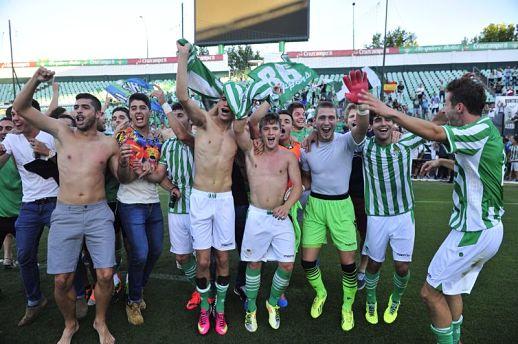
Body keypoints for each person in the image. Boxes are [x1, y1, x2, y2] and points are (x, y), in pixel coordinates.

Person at [360, 75, 505, 344]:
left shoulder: (476, 132)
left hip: (475, 230)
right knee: (451, 288)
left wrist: (388, 110)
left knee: (429, 292)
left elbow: (436, 131)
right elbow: (479, 171)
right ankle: (457, 339)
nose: (443, 109)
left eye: (447, 103)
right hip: (482, 229)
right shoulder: (486, 130)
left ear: (459, 107)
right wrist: (444, 162)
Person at [12, 67, 119, 344]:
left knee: (106, 275)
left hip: (98, 212)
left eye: (85, 107)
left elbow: (123, 177)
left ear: (97, 113)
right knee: (62, 280)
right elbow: (20, 106)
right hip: (65, 212)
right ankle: (70, 324)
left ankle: (100, 321)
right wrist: (36, 79)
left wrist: (131, 164)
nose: (79, 111)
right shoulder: (61, 130)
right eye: (76, 107)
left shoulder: (109, 143)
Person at [299, 70, 369, 332]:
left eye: (330, 117)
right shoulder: (308, 148)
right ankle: (321, 293)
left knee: (348, 264)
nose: (326, 122)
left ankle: (347, 306)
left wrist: (361, 102)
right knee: (307, 261)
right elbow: (306, 177)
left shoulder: (347, 141)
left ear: (337, 120)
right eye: (321, 118)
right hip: (316, 206)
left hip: (341, 206)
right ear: (314, 122)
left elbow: (362, 126)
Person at [177, 41, 239, 336]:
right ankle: (205, 308)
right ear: (218, 101)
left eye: (233, 101)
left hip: (225, 199)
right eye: (223, 99)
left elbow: (261, 112)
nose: (227, 105)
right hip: (200, 198)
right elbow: (181, 95)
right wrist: (182, 57)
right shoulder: (202, 122)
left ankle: (221, 310)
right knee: (203, 259)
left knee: (224, 259)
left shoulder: (238, 131)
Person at [233, 112, 302, 332]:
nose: (271, 133)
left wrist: (287, 206)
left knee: (287, 264)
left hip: (280, 216)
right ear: (260, 132)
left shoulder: (288, 156)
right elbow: (237, 129)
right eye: (267, 129)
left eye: (275, 128)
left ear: (280, 131)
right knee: (254, 264)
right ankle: (251, 308)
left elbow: (298, 186)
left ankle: (272, 303)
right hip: (256, 216)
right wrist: (249, 106)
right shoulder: (251, 150)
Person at [361, 111, 428, 326]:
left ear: (394, 123)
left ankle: (395, 299)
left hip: (403, 216)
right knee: (373, 264)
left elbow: (433, 125)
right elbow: (336, 139)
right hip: (377, 216)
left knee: (402, 267)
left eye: (387, 119)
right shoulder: (364, 145)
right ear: (371, 125)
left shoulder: (406, 141)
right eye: (378, 120)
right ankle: (371, 300)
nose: (383, 124)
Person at [0, 101, 58, 327]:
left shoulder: (52, 133)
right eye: (12, 114)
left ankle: (80, 294)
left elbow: (67, 165)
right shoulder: (12, 139)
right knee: (24, 255)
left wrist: (49, 152)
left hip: (56, 202)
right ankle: (35, 300)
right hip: (29, 206)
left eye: (19, 113)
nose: (14, 119)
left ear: (33, 114)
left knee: (72, 249)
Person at [116, 93, 164, 326]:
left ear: (149, 111)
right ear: (129, 112)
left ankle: (136, 286)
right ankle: (133, 300)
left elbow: (157, 175)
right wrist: (127, 165)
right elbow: (123, 179)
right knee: (140, 253)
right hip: (130, 203)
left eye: (142, 107)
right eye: (133, 107)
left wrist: (150, 171)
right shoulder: (122, 138)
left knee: (156, 251)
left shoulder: (156, 137)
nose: (138, 111)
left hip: (152, 203)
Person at [343, 104, 369, 290]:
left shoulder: (373, 140)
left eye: (357, 115)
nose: (354, 118)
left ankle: (362, 270)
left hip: (365, 196)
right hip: (343, 197)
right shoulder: (339, 140)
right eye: (351, 116)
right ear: (346, 121)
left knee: (366, 235)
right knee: (346, 236)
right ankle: (349, 268)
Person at [0, 115, 22, 269]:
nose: (4, 132)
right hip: (1, 213)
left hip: (23, 213)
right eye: (0, 129)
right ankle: (7, 257)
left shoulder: (22, 152)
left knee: (27, 255)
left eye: (8, 128)